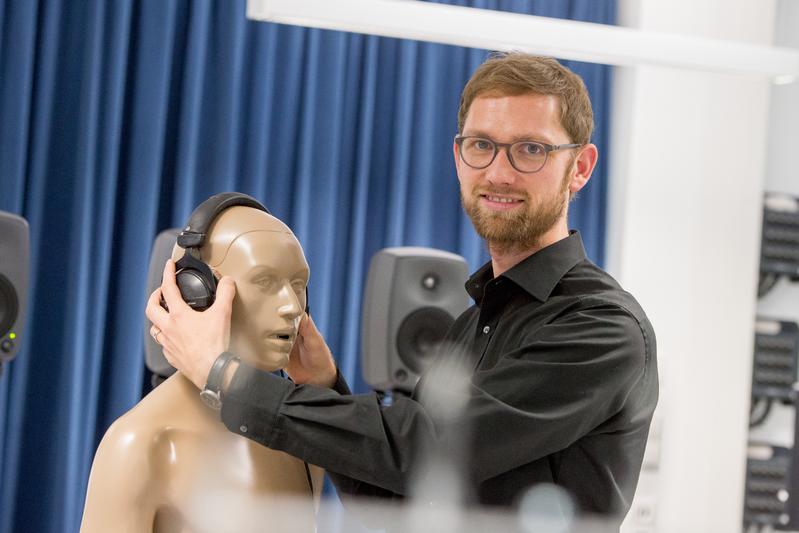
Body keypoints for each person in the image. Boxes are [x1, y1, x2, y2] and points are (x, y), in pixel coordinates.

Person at [145, 53, 658, 527]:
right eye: (481, 145)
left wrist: (225, 378)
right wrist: (324, 388)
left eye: (530, 149)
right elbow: (399, 497)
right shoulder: (472, 324)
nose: (499, 172)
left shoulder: (602, 328)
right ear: (459, 158)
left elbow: (426, 448)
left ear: (581, 168)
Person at [82, 204, 324, 533]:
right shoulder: (139, 444)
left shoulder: (302, 440)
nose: (292, 307)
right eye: (265, 281)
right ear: (195, 292)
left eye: (298, 285)